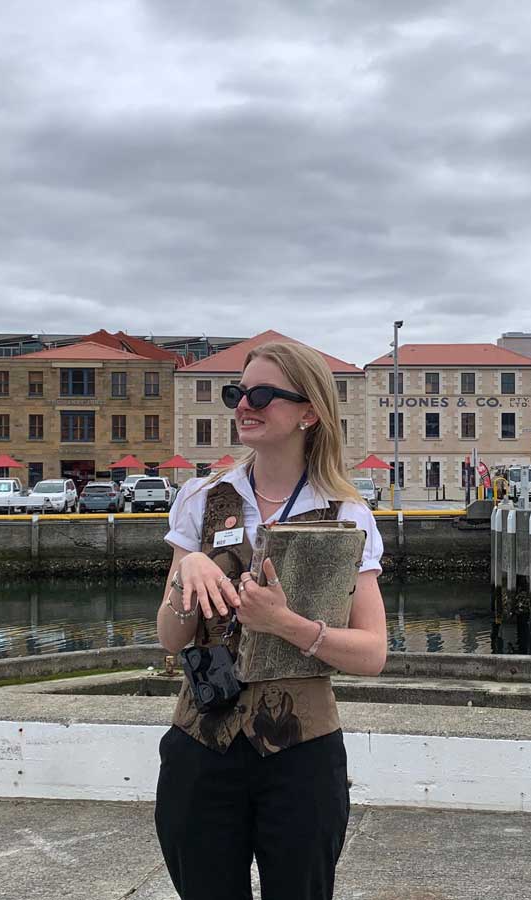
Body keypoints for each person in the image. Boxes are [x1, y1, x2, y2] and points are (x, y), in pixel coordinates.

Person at [154, 341, 387, 899]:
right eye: (238, 393)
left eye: (261, 395)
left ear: (308, 412)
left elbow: (373, 654)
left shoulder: (346, 514)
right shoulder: (202, 497)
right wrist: (186, 577)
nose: (242, 405)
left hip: (299, 754)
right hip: (201, 742)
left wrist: (286, 623)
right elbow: (168, 638)